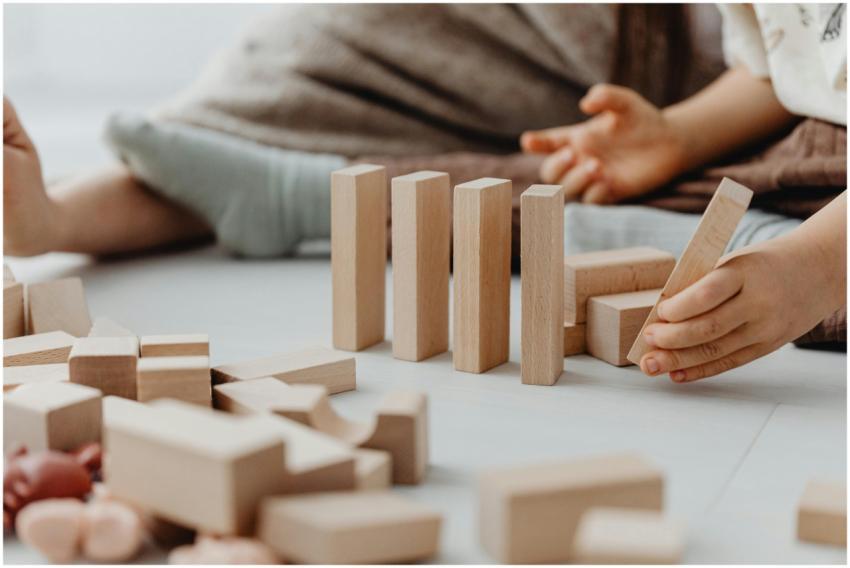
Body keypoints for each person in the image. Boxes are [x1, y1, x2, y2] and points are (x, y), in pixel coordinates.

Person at [521, 4, 846, 381]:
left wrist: (819, 264)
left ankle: (785, 250)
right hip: (801, 145)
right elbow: (786, 69)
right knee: (508, 187)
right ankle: (769, 246)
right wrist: (679, 137)